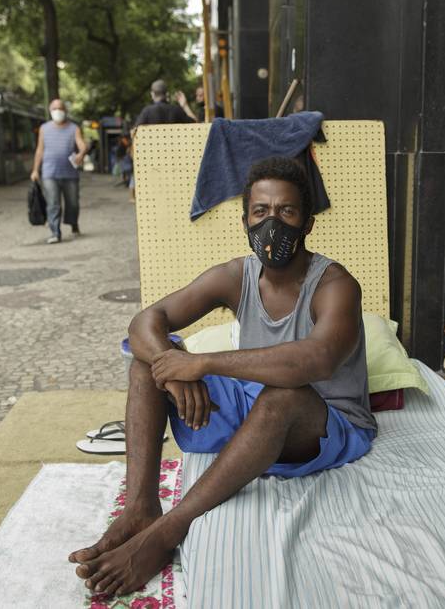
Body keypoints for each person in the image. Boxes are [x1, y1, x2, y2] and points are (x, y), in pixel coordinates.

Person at [68, 157, 375, 596]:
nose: (273, 224)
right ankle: (140, 506)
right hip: (257, 400)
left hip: (329, 422)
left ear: (307, 223)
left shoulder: (335, 283)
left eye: (287, 212)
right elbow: (145, 320)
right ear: (245, 220)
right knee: (146, 364)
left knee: (282, 397)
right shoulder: (237, 275)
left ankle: (168, 530)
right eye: (261, 212)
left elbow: (317, 359)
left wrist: (204, 363)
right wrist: (172, 371)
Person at [31, 99, 88, 244]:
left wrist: (81, 153)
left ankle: (73, 223)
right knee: (53, 203)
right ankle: (55, 232)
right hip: (49, 172)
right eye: (55, 108)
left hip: (70, 173)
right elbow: (40, 150)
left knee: (73, 203)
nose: (58, 111)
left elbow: (81, 144)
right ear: (50, 111)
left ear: (65, 110)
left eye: (60, 108)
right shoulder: (44, 128)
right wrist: (35, 170)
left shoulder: (74, 128)